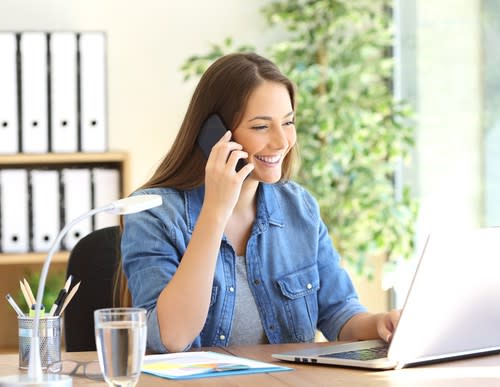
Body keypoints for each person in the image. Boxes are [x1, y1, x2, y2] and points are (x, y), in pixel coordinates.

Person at [121, 52, 400, 354]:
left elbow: (338, 312)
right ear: (212, 134)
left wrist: (379, 323)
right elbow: (172, 336)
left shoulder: (300, 208)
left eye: (288, 122)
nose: (281, 141)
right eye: (260, 127)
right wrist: (216, 210)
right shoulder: (154, 215)